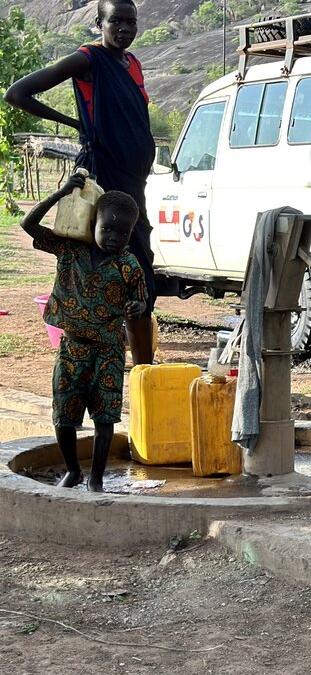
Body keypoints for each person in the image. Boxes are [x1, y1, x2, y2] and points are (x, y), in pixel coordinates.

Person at [5, 0, 156, 365]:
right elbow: (17, 94)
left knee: (139, 272)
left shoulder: (131, 63)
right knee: (111, 268)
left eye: (131, 22)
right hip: (105, 178)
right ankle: (114, 364)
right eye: (116, 21)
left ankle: (141, 370)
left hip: (134, 182)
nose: (124, 28)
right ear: (98, 23)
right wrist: (76, 125)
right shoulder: (87, 59)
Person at [21, 174, 146, 492]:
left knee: (105, 419)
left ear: (131, 233)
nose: (114, 237)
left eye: (123, 232)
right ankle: (73, 470)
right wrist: (61, 193)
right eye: (107, 228)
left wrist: (136, 307)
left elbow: (140, 300)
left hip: (109, 350)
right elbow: (28, 225)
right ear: (93, 222)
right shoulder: (69, 249)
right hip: (72, 348)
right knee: (64, 415)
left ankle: (97, 478)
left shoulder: (128, 265)